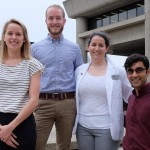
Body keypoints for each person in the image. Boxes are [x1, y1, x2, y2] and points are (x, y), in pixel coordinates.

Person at [31, 4, 83, 150]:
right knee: (36, 145)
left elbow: (80, 75)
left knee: (64, 146)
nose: (54, 22)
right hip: (42, 104)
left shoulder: (74, 48)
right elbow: (29, 77)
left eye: (58, 18)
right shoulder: (34, 49)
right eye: (51, 18)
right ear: (46, 21)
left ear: (64, 21)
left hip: (68, 103)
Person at [74, 32, 132, 150]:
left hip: (107, 127)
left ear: (107, 48)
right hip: (83, 127)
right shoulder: (79, 70)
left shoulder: (117, 71)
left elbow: (130, 95)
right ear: (88, 47)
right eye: (93, 44)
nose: (97, 48)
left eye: (101, 45)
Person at [0, 19, 44, 150]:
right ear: (4, 37)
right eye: (10, 33)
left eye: (18, 34)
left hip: (23, 124)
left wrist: (10, 128)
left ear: (24, 38)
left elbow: (34, 100)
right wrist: (2, 130)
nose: (14, 37)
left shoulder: (33, 64)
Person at [123, 53, 150, 150]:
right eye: (130, 71)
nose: (134, 75)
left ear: (148, 71)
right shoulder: (131, 98)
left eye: (139, 70)